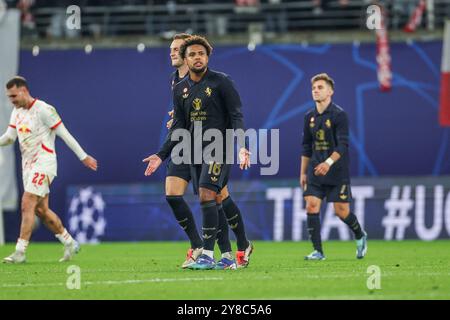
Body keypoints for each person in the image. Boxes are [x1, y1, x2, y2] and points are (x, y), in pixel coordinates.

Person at [144, 35, 251, 270]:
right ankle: (227, 256)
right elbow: (179, 126)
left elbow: (236, 115)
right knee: (213, 199)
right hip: (193, 151)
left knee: (206, 194)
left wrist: (243, 146)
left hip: (219, 147)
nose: (197, 57)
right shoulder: (179, 88)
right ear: (186, 59)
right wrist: (161, 155)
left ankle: (206, 255)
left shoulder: (222, 82)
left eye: (201, 53)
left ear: (207, 56)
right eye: (192, 54)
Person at [0, 76, 97, 263]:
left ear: (23, 90)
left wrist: (83, 156)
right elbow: (10, 137)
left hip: (45, 163)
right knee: (41, 211)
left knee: (27, 201)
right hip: (27, 166)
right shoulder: (17, 111)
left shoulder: (44, 109)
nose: (11, 100)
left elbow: (65, 134)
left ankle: (20, 252)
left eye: (13, 96)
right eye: (9, 97)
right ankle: (69, 242)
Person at [300, 73, 367, 260]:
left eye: (320, 87)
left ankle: (360, 235)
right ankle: (318, 251)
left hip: (336, 171)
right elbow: (306, 146)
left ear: (330, 91)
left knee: (341, 211)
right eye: (314, 88)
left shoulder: (339, 115)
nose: (316, 91)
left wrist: (328, 163)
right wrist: (303, 173)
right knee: (311, 205)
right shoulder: (309, 117)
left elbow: (343, 145)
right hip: (315, 170)